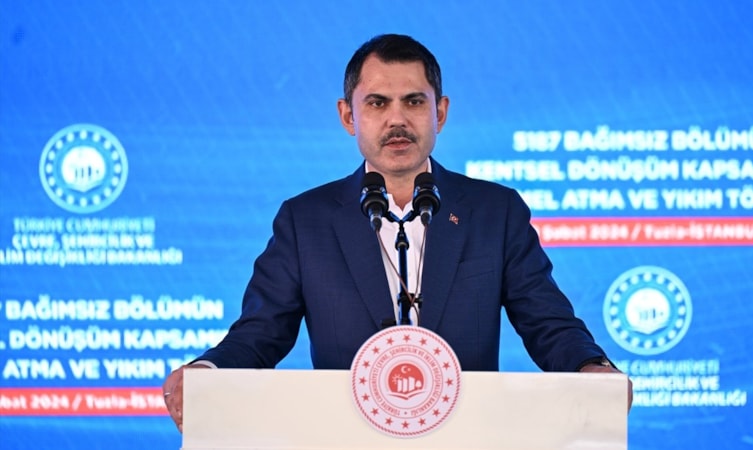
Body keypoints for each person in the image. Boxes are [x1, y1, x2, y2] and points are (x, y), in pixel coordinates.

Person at [162, 33, 632, 432]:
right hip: (344, 436)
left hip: (470, 435)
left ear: (440, 112)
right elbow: (261, 332)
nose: (397, 120)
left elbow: (547, 321)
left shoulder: (495, 211)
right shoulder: (305, 220)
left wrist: (591, 367)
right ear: (348, 116)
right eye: (377, 103)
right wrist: (207, 372)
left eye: (414, 101)